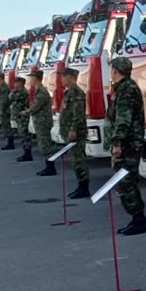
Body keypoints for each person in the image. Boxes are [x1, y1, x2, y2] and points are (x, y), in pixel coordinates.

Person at [104, 56, 146, 235]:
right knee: (126, 181)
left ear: (115, 70)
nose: (111, 72)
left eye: (111, 69)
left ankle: (139, 220)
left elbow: (124, 120)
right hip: (128, 143)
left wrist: (117, 144)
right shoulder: (124, 88)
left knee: (126, 182)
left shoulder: (126, 90)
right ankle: (137, 219)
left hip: (127, 144)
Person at [59, 67, 90, 198]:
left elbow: (78, 115)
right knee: (75, 160)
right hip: (70, 131)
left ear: (71, 77)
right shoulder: (69, 93)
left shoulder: (76, 93)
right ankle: (80, 186)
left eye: (63, 76)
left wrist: (73, 129)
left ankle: (84, 188)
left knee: (79, 160)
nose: (61, 79)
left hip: (76, 133)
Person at [28, 69, 56, 176]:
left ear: (36, 78)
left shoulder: (41, 92)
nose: (30, 79)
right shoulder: (38, 90)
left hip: (43, 122)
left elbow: (35, 107)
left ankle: (50, 168)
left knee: (46, 146)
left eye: (32, 77)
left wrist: (24, 112)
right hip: (40, 122)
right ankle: (48, 166)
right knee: (43, 145)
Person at [11, 77, 33, 161]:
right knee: (22, 134)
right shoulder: (18, 91)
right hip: (19, 116)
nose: (15, 84)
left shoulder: (22, 92)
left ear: (21, 83)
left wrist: (14, 90)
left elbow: (11, 97)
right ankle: (26, 153)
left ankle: (28, 154)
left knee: (25, 135)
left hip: (23, 117)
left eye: (17, 82)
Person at [0, 76, 13, 150]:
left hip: (5, 110)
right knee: (5, 126)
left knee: (6, 126)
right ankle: (9, 142)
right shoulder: (1, 85)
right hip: (4, 109)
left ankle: (10, 143)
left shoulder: (3, 86)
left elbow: (4, 99)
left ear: (0, 78)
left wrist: (1, 109)